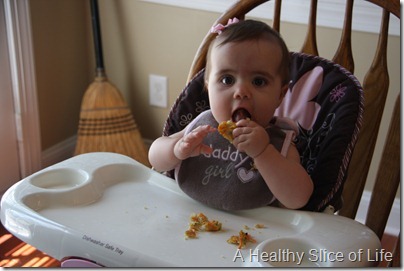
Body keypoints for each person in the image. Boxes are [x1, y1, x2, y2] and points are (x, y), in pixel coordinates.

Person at [149, 19, 313, 210]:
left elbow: (298, 198)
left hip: (253, 233)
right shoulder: (202, 127)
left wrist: (264, 153)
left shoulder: (278, 143)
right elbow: (155, 158)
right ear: (208, 86)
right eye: (227, 79)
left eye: (258, 82)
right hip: (186, 217)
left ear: (280, 95)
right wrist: (176, 150)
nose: (241, 91)